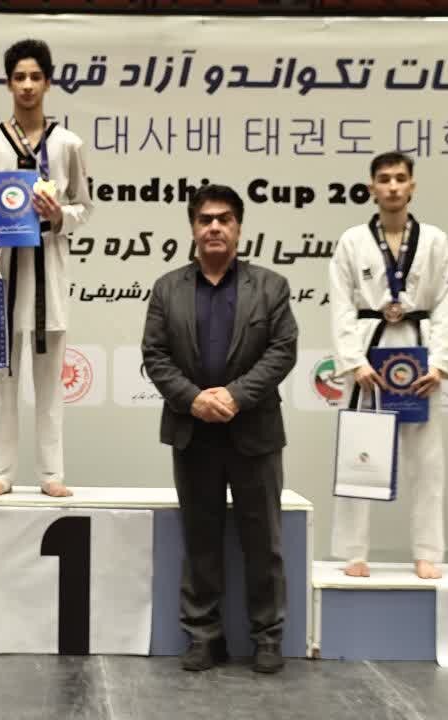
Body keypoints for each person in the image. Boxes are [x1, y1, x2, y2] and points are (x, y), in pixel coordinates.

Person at [141, 184, 298, 674]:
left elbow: (283, 350)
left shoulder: (270, 286)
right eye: (205, 219)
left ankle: (267, 636)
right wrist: (194, 399)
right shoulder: (167, 288)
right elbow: (154, 355)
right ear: (192, 228)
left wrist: (235, 395)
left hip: (254, 432)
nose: (214, 227)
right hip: (194, 433)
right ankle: (204, 637)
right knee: (201, 539)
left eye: (224, 219)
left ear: (238, 228)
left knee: (263, 541)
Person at [0, 38, 93, 498]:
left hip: (48, 279)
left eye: (35, 77)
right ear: (8, 84)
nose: (27, 85)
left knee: (49, 387)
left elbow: (84, 207)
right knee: (1, 382)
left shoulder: (68, 144)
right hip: (1, 276)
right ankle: (1, 472)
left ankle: (50, 474)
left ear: (48, 83)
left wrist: (58, 215)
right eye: (19, 77)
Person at [327, 152, 448, 580]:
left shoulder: (434, 240)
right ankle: (354, 551)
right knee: (360, 453)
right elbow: (341, 305)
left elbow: (446, 302)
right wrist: (353, 361)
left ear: (412, 186)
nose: (393, 186)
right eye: (384, 179)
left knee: (428, 461)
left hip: (419, 354)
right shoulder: (352, 241)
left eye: (401, 178)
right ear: (372, 188)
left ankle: (427, 552)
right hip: (370, 352)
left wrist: (440, 363)